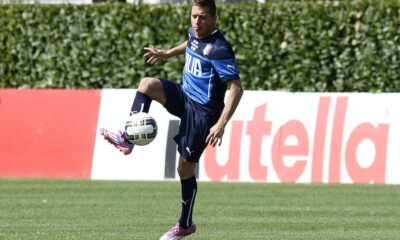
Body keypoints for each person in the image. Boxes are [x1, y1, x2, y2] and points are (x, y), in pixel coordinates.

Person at [100, 0, 243, 238]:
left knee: (184, 168)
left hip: (202, 113)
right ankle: (127, 139)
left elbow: (236, 88)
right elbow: (190, 44)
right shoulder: (194, 33)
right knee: (148, 84)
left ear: (214, 18)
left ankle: (185, 224)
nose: (197, 22)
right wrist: (167, 53)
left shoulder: (220, 48)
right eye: (194, 16)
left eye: (203, 17)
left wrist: (221, 123)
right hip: (185, 97)